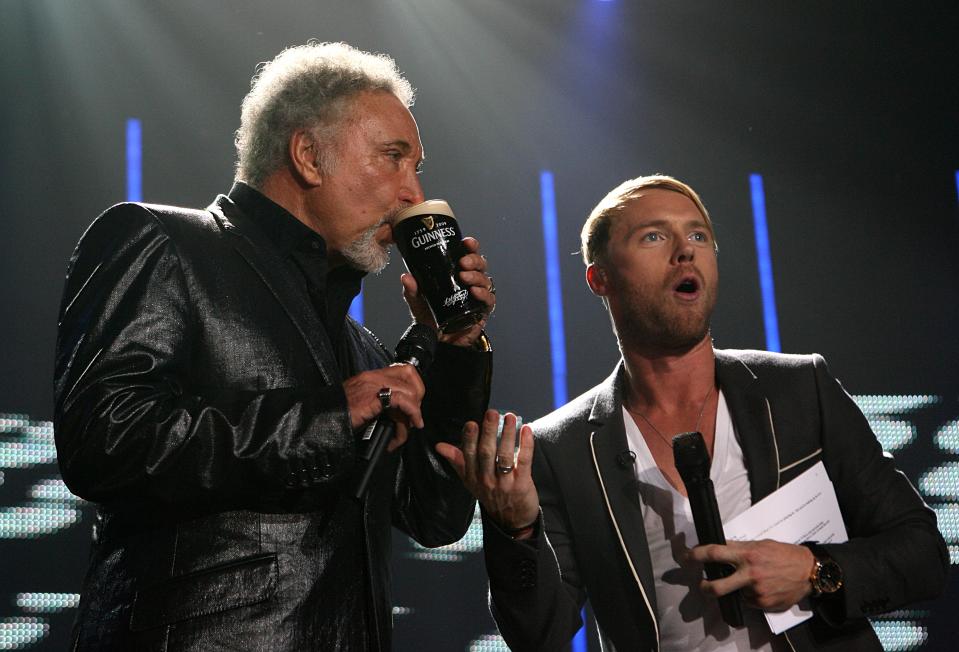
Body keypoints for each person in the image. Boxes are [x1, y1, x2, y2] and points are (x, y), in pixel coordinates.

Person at [54, 42, 494, 651]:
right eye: (393, 159)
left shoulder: (362, 350)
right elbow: (104, 439)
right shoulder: (162, 242)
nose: (411, 192)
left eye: (415, 166)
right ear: (308, 156)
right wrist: (329, 416)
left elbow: (434, 517)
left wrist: (452, 345)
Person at [439, 175, 948, 651]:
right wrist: (515, 531)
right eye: (654, 238)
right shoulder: (560, 448)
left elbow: (922, 554)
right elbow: (539, 634)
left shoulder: (798, 388)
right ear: (599, 279)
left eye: (699, 236)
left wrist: (817, 571)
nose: (686, 251)